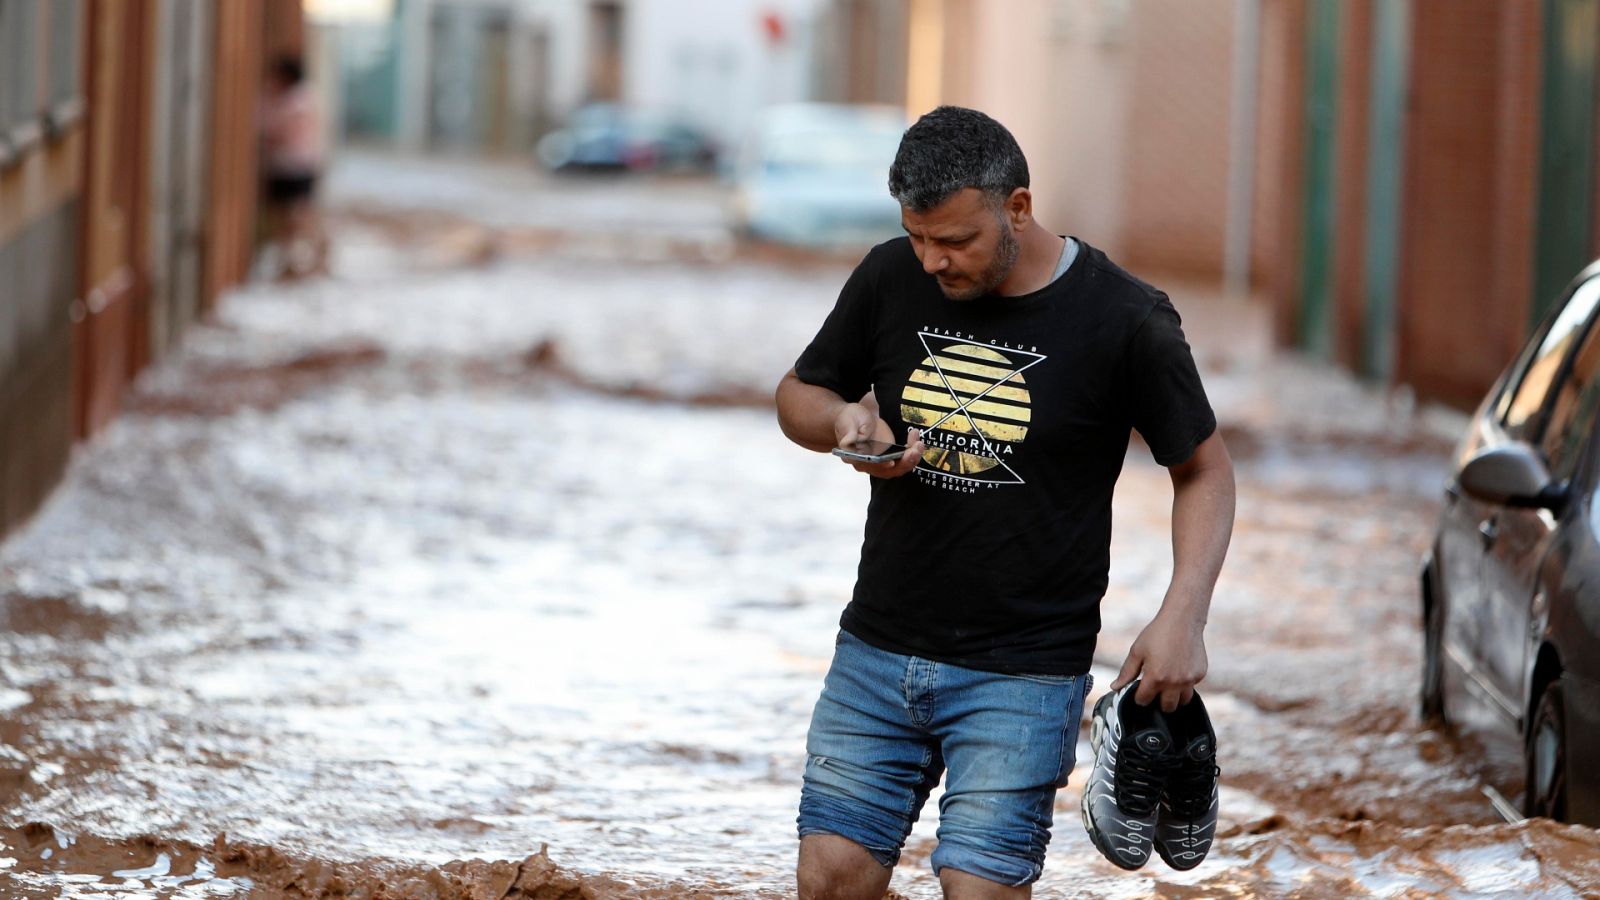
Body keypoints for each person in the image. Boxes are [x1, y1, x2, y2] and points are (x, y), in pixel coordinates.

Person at [775, 106, 1235, 898]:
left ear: (1017, 207)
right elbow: (798, 393)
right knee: (831, 879)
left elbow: (1205, 472)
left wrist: (1182, 616)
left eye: (955, 242)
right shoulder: (888, 277)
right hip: (877, 651)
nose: (931, 262)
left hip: (1024, 675)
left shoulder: (1126, 318)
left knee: (977, 889)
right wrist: (840, 422)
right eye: (918, 237)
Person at [260, 54, 329, 280]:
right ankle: (299, 260)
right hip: (299, 164)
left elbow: (283, 134)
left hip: (292, 165)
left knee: (295, 216)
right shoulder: (304, 98)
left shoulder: (294, 103)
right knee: (296, 215)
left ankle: (311, 255)